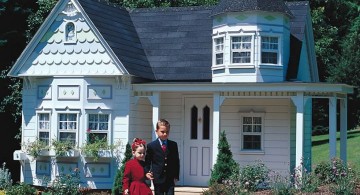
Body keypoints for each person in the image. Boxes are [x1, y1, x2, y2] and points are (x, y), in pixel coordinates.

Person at [145, 119, 180, 195]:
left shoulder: (173, 145)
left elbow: (176, 161)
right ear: (156, 131)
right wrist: (147, 172)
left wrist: (176, 176)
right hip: (157, 178)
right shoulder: (151, 146)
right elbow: (148, 161)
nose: (165, 134)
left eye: (167, 132)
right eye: (162, 132)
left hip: (170, 178)